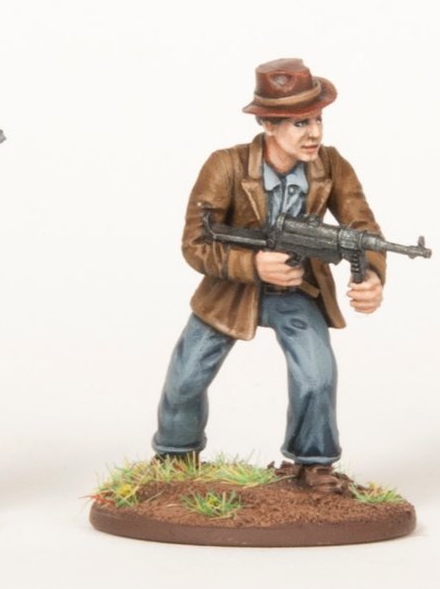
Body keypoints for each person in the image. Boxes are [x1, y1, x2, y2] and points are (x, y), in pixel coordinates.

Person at [152, 58, 387, 494]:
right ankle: (175, 455)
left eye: (317, 119)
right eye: (300, 123)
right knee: (186, 378)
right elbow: (195, 243)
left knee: (317, 374)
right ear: (267, 124)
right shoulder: (225, 166)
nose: (314, 133)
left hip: (296, 288)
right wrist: (252, 265)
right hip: (229, 291)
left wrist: (372, 275)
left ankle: (313, 463)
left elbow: (363, 228)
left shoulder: (332, 166)